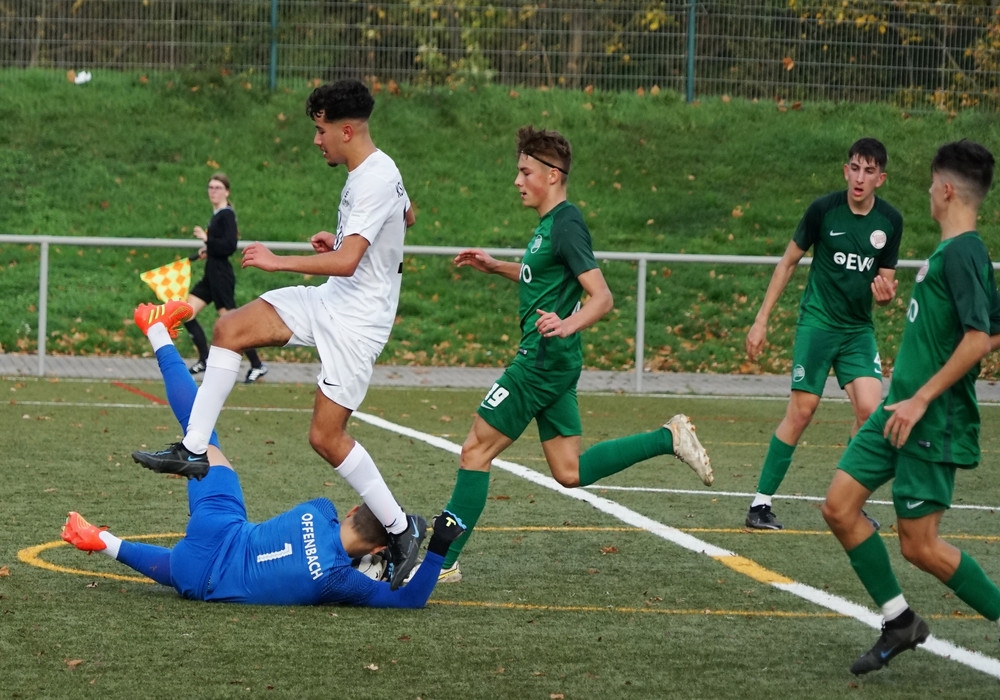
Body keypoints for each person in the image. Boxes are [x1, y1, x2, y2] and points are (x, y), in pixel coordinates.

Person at [131, 78, 423, 590]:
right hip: (334, 300)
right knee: (229, 327)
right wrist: (346, 238)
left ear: (347, 131)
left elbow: (350, 261)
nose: (316, 140)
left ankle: (401, 530)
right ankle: (194, 449)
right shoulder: (376, 170)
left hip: (358, 324)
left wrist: (278, 260)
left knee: (325, 438)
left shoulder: (375, 178)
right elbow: (407, 217)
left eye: (321, 130)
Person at [416, 125, 714, 584]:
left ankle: (444, 561)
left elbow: (602, 297)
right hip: (555, 361)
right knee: (569, 471)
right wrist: (496, 267)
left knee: (475, 450)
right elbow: (542, 277)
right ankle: (668, 437)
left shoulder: (566, 223)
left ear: (552, 175)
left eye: (525, 172)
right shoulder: (549, 226)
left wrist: (565, 323)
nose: (517, 181)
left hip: (540, 360)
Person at [62, 300, 465, 608]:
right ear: (379, 550)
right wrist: (437, 552)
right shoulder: (337, 581)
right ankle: (102, 540)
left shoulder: (320, 510)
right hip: (196, 579)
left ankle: (156, 330)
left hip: (218, 529)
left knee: (201, 438)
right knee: (191, 569)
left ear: (352, 510)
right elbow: (408, 601)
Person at [821, 140, 1000, 675]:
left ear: (946, 190)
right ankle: (900, 621)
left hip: (931, 418)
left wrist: (922, 398)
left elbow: (979, 338)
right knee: (839, 507)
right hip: (897, 409)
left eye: (929, 184)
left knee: (919, 546)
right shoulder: (953, 253)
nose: (926, 192)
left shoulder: (964, 252)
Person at [744, 137, 902, 530]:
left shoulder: (890, 222)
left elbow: (885, 285)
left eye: (869, 171)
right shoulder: (823, 211)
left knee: (870, 413)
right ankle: (760, 504)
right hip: (817, 324)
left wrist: (885, 297)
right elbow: (787, 263)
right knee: (802, 411)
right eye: (855, 168)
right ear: (845, 171)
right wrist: (761, 320)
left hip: (857, 330)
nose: (860, 178)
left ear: (880, 179)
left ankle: (846, 501)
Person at [183, 172, 268, 384]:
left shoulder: (227, 215)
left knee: (232, 323)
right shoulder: (216, 215)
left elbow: (229, 246)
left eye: (218, 188)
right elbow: (219, 246)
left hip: (221, 276)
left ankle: (257, 364)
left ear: (227, 192)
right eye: (211, 187)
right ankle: (204, 359)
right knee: (186, 313)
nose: (213, 191)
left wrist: (207, 240)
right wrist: (208, 249)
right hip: (210, 274)